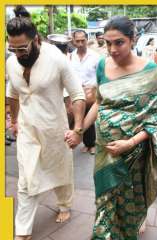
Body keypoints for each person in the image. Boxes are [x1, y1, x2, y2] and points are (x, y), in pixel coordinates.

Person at [66, 16, 157, 240]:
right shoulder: (102, 65)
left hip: (133, 153)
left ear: (132, 39)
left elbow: (155, 117)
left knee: (130, 202)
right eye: (107, 43)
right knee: (105, 198)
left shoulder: (151, 71)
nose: (112, 49)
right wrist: (79, 131)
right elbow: (99, 102)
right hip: (104, 149)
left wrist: (130, 143)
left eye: (119, 42)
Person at [6, 15, 86, 240]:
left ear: (36, 40)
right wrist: (13, 120)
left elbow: (77, 94)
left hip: (55, 129)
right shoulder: (12, 62)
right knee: (26, 180)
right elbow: (12, 94)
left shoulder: (57, 58)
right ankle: (22, 231)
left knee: (61, 170)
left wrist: (78, 129)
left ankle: (64, 205)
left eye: (22, 48)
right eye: (13, 49)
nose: (18, 54)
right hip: (27, 130)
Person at [70, 30, 100, 154]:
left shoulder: (95, 57)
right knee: (78, 117)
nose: (81, 43)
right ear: (73, 41)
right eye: (78, 41)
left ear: (87, 40)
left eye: (83, 40)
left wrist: (94, 87)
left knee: (89, 117)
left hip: (90, 92)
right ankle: (81, 141)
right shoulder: (71, 56)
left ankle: (91, 144)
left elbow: (100, 75)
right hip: (75, 92)